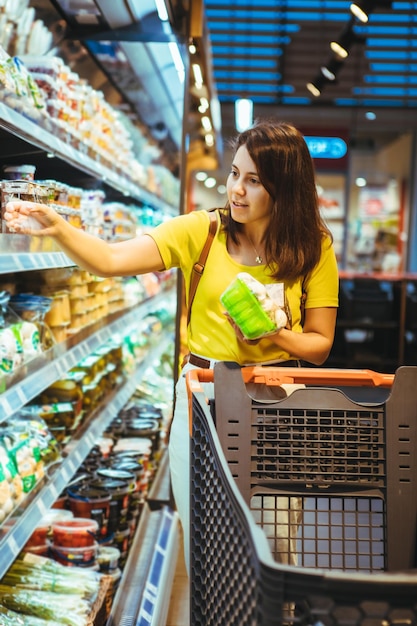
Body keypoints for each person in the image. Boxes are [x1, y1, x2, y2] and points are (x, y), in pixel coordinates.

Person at [4, 119, 339, 572]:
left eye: (254, 181)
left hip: (277, 399)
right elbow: (111, 259)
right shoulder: (200, 232)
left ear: (285, 188)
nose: (237, 189)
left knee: (274, 536)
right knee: (204, 533)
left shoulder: (313, 247)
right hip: (203, 394)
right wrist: (59, 227)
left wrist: (272, 334)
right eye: (235, 173)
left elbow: (319, 345)